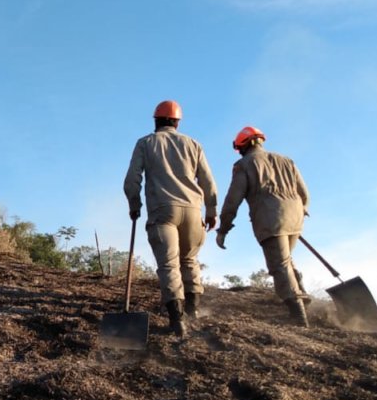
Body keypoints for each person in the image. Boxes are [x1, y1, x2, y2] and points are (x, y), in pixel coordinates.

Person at [123, 100, 218, 336]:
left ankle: (177, 320)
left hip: (164, 211)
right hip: (193, 211)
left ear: (156, 121)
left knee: (169, 264)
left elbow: (132, 179)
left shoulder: (146, 143)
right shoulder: (194, 144)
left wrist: (134, 204)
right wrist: (211, 210)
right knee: (189, 260)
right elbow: (208, 182)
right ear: (177, 122)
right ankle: (194, 311)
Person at [215, 126, 311, 326]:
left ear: (242, 146)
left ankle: (299, 315)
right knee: (285, 259)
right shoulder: (286, 160)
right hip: (295, 217)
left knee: (279, 264)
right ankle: (301, 292)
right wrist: (302, 210)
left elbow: (233, 199)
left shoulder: (244, 164)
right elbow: (304, 193)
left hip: (270, 218)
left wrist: (223, 228)